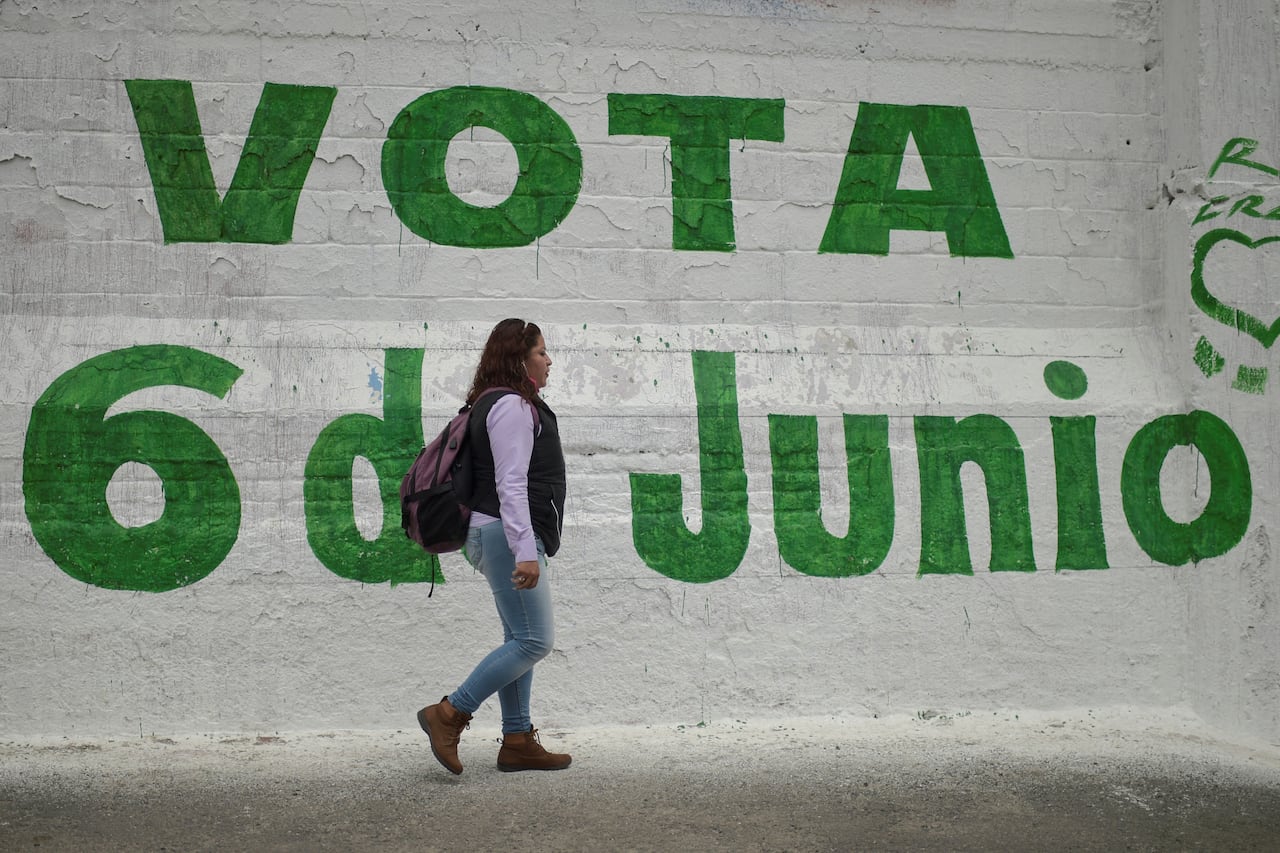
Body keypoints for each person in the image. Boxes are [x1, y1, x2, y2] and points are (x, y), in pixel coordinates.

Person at [417, 319, 571, 775]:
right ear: (520, 360)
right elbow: (511, 483)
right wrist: (526, 549)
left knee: (517, 637)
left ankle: (519, 739)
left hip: (497, 533)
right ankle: (449, 714)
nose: (549, 361)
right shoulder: (512, 408)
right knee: (535, 639)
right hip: (506, 535)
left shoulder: (493, 403)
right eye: (542, 352)